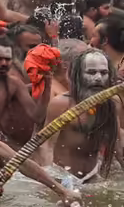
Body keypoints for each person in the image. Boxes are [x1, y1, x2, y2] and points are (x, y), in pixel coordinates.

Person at [40, 48, 121, 181]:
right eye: (91, 72)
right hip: (62, 176)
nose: (98, 78)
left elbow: (117, 145)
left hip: (93, 176)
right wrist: (51, 181)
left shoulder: (111, 104)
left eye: (104, 73)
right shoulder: (61, 104)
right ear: (77, 75)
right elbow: (47, 146)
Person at [0, 37, 40, 148]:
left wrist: (46, 87)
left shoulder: (14, 84)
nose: (4, 63)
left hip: (0, 144)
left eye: (8, 59)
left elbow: (37, 117)